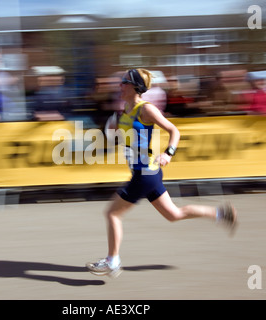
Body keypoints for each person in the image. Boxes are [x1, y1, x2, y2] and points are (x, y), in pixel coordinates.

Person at [86, 68, 238, 278]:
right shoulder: (124, 112)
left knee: (112, 213)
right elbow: (121, 142)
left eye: (123, 82)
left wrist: (168, 153)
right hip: (147, 173)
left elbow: (174, 131)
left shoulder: (145, 109)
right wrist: (111, 130)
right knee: (173, 215)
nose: (119, 85)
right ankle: (222, 214)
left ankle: (113, 261)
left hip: (145, 173)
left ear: (134, 86)